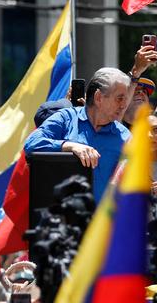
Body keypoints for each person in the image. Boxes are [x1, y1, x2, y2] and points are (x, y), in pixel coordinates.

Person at [23, 67, 131, 202]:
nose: (124, 105)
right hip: (66, 218)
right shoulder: (66, 118)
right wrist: (69, 146)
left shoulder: (126, 137)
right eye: (119, 98)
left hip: (105, 221)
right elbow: (31, 144)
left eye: (126, 100)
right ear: (98, 97)